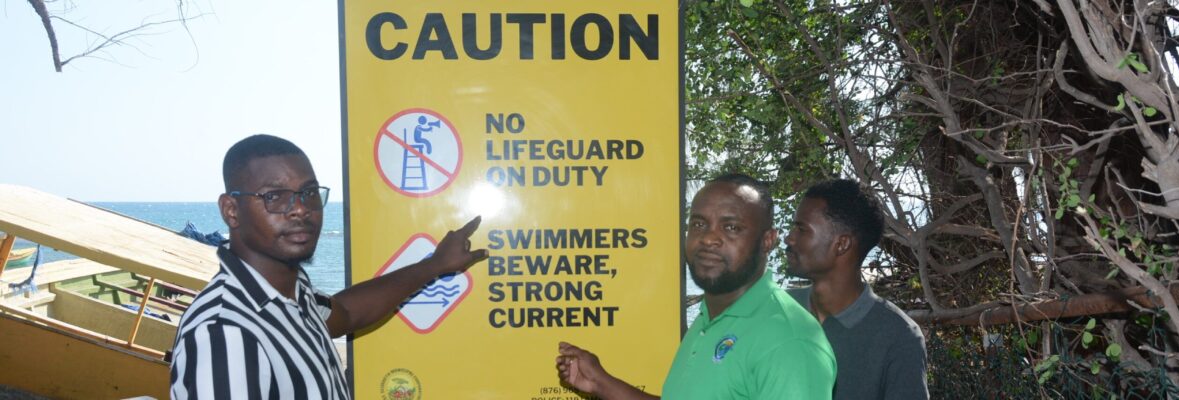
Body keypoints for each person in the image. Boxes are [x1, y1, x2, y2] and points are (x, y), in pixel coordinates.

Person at [169, 134, 488, 399]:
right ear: (231, 210)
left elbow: (347, 312)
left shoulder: (291, 295)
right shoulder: (224, 333)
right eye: (275, 197)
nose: (300, 209)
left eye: (308, 193)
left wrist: (434, 265)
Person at [556, 174, 836, 399]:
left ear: (767, 241)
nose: (709, 238)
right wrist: (602, 383)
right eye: (699, 224)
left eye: (731, 227)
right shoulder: (710, 318)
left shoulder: (788, 342)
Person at [784, 179, 929, 399]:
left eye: (802, 229)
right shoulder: (773, 311)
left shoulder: (899, 337)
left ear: (842, 244)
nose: (789, 238)